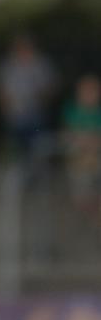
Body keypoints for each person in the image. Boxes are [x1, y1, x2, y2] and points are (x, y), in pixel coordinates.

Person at [0, 34, 57, 163]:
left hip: (36, 113)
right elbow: (1, 89)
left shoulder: (42, 64)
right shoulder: (8, 66)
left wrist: (41, 101)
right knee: (18, 149)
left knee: (39, 147)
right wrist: (6, 109)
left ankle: (38, 172)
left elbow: (51, 87)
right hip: (16, 115)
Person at [61, 74, 101, 218]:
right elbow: (66, 134)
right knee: (81, 197)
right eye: (87, 91)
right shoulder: (71, 111)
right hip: (79, 162)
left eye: (94, 91)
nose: (91, 95)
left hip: (96, 160)